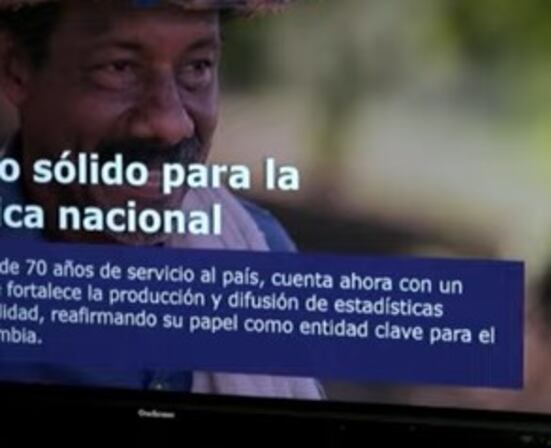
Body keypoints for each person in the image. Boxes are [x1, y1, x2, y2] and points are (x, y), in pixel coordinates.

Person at [0, 0, 321, 399]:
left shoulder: (260, 250)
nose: (170, 125)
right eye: (119, 68)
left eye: (197, 67)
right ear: (16, 69)